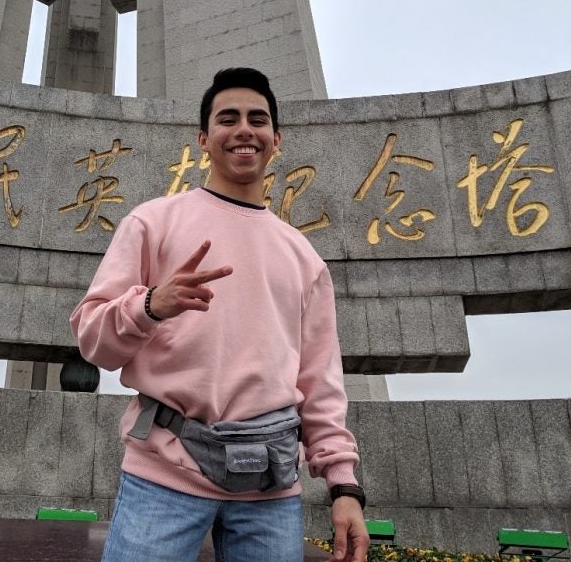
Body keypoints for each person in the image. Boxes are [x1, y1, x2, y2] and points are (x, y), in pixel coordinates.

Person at [70, 68, 368, 562]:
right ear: (204, 139)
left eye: (258, 119)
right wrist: (148, 306)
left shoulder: (304, 257)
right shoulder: (153, 222)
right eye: (227, 118)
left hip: (270, 490)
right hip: (163, 478)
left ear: (277, 139)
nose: (244, 129)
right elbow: (92, 340)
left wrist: (343, 485)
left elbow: (320, 381)